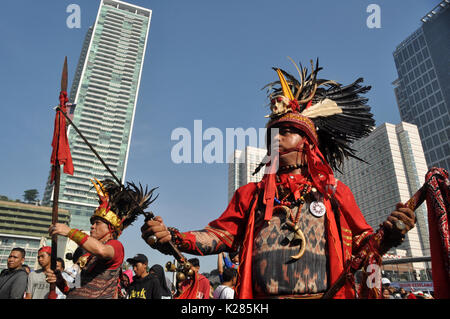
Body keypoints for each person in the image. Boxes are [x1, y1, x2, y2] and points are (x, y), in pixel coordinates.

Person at [141, 59, 416, 299]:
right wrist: (173, 238)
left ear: (308, 143)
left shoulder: (334, 193)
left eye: (286, 131)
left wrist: (391, 232)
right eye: (273, 133)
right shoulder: (250, 195)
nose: (277, 139)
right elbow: (218, 236)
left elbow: (364, 248)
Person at [45, 179, 157, 299]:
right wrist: (59, 280)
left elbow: (102, 250)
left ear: (110, 228)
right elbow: (72, 289)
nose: (92, 226)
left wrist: (69, 231)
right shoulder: (88, 255)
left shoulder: (115, 246)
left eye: (97, 223)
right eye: (93, 223)